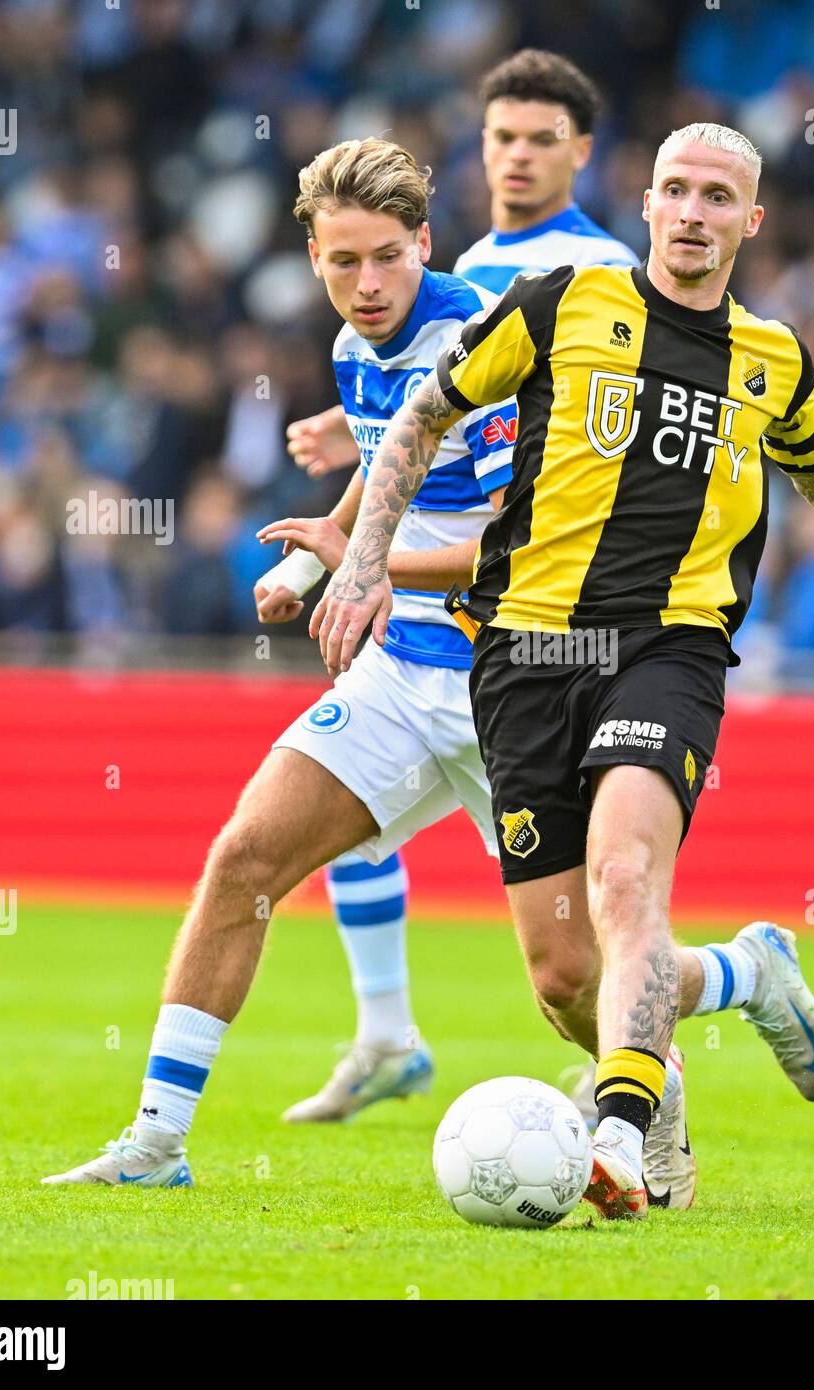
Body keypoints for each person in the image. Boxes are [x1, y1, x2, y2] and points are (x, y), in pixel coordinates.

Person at [313, 122, 814, 1220]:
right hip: (520, 653)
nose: (694, 212)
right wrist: (364, 561)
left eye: (719, 196)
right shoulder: (560, 305)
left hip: (666, 653)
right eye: (675, 190)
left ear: (748, 221)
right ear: (649, 204)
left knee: (626, 881)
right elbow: (428, 411)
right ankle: (747, 974)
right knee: (565, 975)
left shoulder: (769, 357)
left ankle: (615, 1132)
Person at [42, 138, 515, 1186]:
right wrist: (317, 570)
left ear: (426, 243)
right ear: (312, 255)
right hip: (400, 675)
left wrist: (375, 564)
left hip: (513, 685)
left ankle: (734, 985)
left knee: (573, 976)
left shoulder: (486, 345)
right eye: (343, 261)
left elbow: (526, 547)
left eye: (389, 257)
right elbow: (388, 474)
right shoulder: (354, 351)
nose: (368, 283)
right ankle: (157, 1140)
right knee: (246, 859)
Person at [272, 49, 638, 1128]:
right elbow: (430, 412)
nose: (517, 157)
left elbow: (560, 446)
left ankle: (695, 1004)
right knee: (325, 822)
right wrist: (351, 449)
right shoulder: (463, 264)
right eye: (500, 138)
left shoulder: (604, 265)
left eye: (540, 138)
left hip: (551, 624)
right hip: (430, 633)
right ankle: (386, 1032)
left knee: (581, 936)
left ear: (580, 149)